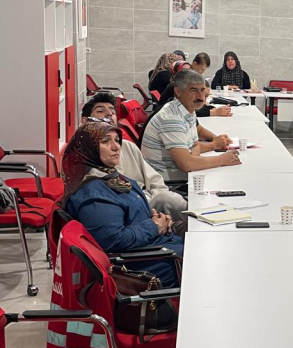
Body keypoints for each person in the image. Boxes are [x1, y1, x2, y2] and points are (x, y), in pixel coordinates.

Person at [63, 123, 184, 287]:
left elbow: (132, 218)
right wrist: (154, 226)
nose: (116, 147)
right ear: (88, 149)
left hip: (157, 247)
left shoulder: (113, 177)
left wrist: (159, 220)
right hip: (144, 264)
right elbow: (114, 239)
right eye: (105, 141)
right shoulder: (93, 194)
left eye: (117, 140)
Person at [81, 93, 188, 232]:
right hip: (132, 212)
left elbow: (154, 180)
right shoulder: (85, 157)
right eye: (100, 111)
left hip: (153, 206)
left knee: (190, 227)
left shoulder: (127, 146)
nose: (109, 114)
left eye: (112, 111)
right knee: (169, 201)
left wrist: (162, 214)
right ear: (85, 121)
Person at [141, 69, 240, 184]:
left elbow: (195, 145)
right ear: (178, 92)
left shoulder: (187, 109)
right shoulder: (171, 119)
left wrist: (196, 154)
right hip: (167, 183)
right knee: (228, 181)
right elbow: (187, 164)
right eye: (193, 90)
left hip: (180, 175)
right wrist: (222, 159)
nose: (201, 97)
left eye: (202, 90)